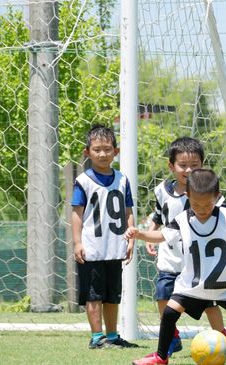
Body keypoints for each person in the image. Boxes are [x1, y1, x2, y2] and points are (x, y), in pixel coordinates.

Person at [125, 169, 226, 365]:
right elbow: (161, 236)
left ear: (217, 197)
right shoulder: (182, 220)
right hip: (194, 285)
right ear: (187, 196)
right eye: (195, 204)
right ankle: (160, 358)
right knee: (169, 313)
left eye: (208, 204)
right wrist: (140, 234)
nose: (202, 209)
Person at [146, 137, 226, 355]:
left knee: (210, 304)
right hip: (171, 260)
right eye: (183, 165)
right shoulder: (161, 191)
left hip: (198, 262)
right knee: (163, 296)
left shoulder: (210, 193)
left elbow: (223, 219)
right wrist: (151, 232)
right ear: (171, 166)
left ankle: (222, 341)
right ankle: (171, 337)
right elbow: (159, 215)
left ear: (203, 164)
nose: (189, 170)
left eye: (195, 165)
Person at [70, 124, 138, 349]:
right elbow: (76, 214)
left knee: (112, 295)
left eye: (107, 149)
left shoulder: (123, 180)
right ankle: (97, 337)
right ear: (87, 152)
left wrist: (131, 238)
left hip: (115, 247)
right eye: (97, 149)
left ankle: (112, 336)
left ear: (115, 152)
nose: (102, 154)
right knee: (93, 295)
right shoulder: (83, 181)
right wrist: (78, 242)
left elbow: (128, 212)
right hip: (92, 249)